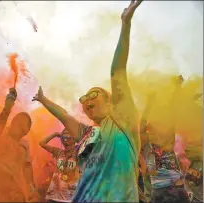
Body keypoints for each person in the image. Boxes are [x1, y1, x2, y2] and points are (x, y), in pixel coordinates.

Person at [33, 1, 143, 202]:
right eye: (84, 99)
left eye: (94, 95)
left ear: (110, 102)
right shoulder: (86, 135)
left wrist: (125, 23)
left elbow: (117, 71)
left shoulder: (124, 124)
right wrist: (43, 100)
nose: (87, 101)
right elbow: (64, 116)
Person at [140, 76, 191, 203]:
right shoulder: (147, 146)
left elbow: (173, 112)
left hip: (176, 189)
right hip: (158, 192)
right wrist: (149, 103)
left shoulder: (168, 142)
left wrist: (177, 88)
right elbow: (141, 125)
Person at [39, 129, 80, 202]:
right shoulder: (58, 152)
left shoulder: (79, 153)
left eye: (68, 137)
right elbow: (41, 143)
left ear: (74, 139)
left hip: (68, 197)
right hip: (53, 196)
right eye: (63, 138)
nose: (65, 140)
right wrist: (54, 134)